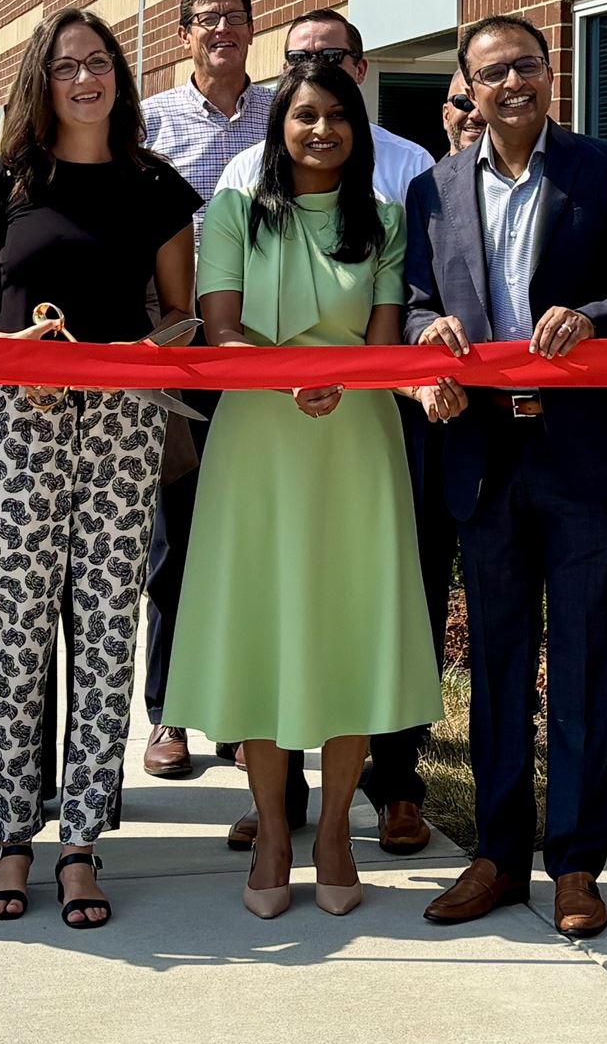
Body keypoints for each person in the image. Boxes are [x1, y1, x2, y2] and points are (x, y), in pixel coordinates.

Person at [0, 8, 199, 930]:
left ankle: (82, 838)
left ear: (119, 76)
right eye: (65, 65)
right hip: (18, 421)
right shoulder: (3, 181)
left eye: (99, 63)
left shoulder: (156, 187)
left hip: (121, 426)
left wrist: (137, 356)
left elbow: (180, 316)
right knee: (14, 623)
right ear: (39, 82)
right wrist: (6, 350)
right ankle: (11, 833)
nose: (85, 78)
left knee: (107, 625)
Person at [162, 62, 444, 919]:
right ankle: (277, 829)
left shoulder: (387, 221)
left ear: (358, 132)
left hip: (356, 441)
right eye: (306, 116)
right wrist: (287, 380)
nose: (322, 131)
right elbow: (218, 332)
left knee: (349, 628)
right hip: (259, 439)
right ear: (278, 127)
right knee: (263, 623)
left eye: (338, 118)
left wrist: (350, 380)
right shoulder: (237, 212)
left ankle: (332, 835)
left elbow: (388, 341)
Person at [406, 14, 607, 940]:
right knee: (499, 660)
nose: (512, 82)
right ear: (467, 91)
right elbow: (417, 305)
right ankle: (498, 855)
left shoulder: (604, 168)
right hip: (483, 455)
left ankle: (577, 863)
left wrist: (592, 317)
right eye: (492, 72)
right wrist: (424, 340)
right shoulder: (433, 192)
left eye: (527, 65)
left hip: (579, 452)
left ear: (549, 71)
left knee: (588, 659)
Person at [139, 0, 268, 784]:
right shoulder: (150, 122)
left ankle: (238, 708)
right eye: (207, 20)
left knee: (252, 535)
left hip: (267, 349)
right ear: (183, 34)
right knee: (177, 539)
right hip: (183, 354)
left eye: (235, 19)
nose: (222, 30)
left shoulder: (282, 116)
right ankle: (170, 713)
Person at [212, 9, 436, 205]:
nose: (314, 68)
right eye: (299, 58)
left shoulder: (410, 163)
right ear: (285, 72)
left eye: (330, 57)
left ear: (360, 69)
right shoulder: (245, 170)